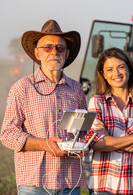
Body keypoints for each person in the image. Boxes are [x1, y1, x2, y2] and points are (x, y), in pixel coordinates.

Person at [0, 20, 87, 195]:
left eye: (59, 48)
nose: (54, 52)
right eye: (47, 47)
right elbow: (7, 134)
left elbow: (83, 131)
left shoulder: (76, 89)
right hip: (34, 183)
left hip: (69, 182)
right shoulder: (22, 87)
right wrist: (44, 144)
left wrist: (83, 144)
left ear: (67, 53)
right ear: (37, 53)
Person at [85, 48, 133, 195]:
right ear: (103, 74)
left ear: (129, 70)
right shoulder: (97, 102)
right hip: (103, 186)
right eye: (110, 69)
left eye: (121, 67)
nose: (117, 74)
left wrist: (110, 140)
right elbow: (97, 144)